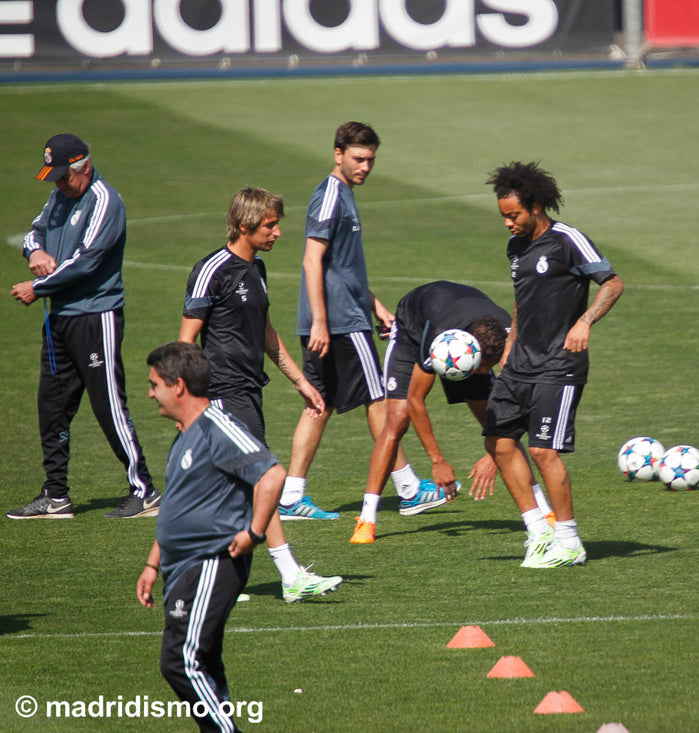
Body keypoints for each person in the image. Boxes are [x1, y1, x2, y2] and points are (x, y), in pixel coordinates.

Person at [180, 187, 342, 602]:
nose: (278, 232)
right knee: (265, 477)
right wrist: (190, 401)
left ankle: (207, 578)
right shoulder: (212, 269)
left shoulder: (258, 271)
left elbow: (267, 336)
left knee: (231, 488)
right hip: (221, 392)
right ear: (245, 225)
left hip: (249, 389)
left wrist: (301, 382)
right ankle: (290, 575)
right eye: (270, 225)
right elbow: (185, 343)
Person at [280, 121, 433, 521]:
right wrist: (320, 321)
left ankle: (291, 496)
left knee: (319, 403)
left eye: (371, 160)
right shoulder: (331, 195)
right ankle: (409, 488)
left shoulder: (341, 194)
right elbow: (313, 259)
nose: (365, 166)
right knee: (380, 398)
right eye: (358, 158)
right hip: (340, 323)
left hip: (342, 315)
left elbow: (341, 268)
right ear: (338, 154)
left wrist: (376, 306)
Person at [8, 133, 159, 520]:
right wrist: (35, 251)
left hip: (96, 317)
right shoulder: (60, 196)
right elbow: (33, 230)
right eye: (54, 177)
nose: (58, 184)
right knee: (52, 406)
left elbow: (86, 261)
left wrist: (37, 287)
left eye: (63, 176)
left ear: (84, 168)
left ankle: (144, 490)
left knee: (108, 404)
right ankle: (56, 495)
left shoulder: (105, 201)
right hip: (59, 318)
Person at [483, 162, 624, 568]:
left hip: (558, 366)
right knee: (498, 442)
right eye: (504, 216)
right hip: (519, 364)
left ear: (537, 206)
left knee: (544, 451)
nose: (508, 223)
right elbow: (521, 299)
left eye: (514, 215)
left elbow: (612, 283)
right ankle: (538, 532)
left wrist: (584, 321)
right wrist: (508, 348)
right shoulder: (515, 247)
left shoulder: (568, 240)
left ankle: (570, 541)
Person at [137, 342, 282, 733]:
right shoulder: (184, 434)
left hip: (211, 561)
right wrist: (153, 562)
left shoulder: (219, 426)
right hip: (180, 566)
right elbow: (177, 506)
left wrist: (254, 532)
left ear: (178, 386)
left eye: (155, 385)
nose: (151, 393)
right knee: (204, 664)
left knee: (181, 661)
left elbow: (272, 475)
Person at [350, 280, 556, 544]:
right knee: (397, 419)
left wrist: (493, 455)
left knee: (499, 429)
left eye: (488, 368)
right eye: (482, 367)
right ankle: (367, 519)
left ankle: (544, 511)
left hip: (469, 335)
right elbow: (416, 399)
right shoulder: (439, 335)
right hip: (414, 330)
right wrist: (438, 461)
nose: (482, 374)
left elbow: (519, 407)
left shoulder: (511, 342)